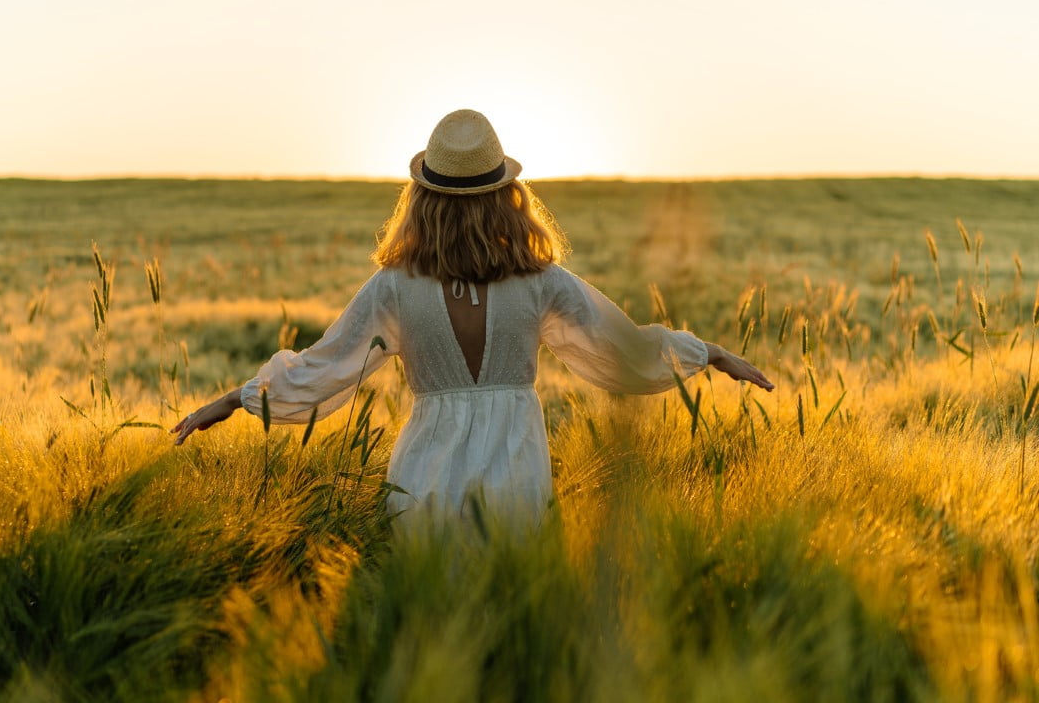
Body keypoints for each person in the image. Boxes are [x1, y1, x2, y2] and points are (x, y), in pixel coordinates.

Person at [171, 109, 774, 526]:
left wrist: (236, 399)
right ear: (507, 197)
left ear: (423, 198)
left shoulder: (394, 287)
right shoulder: (542, 284)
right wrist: (710, 354)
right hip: (519, 476)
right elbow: (628, 353)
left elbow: (320, 370)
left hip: (420, 480)